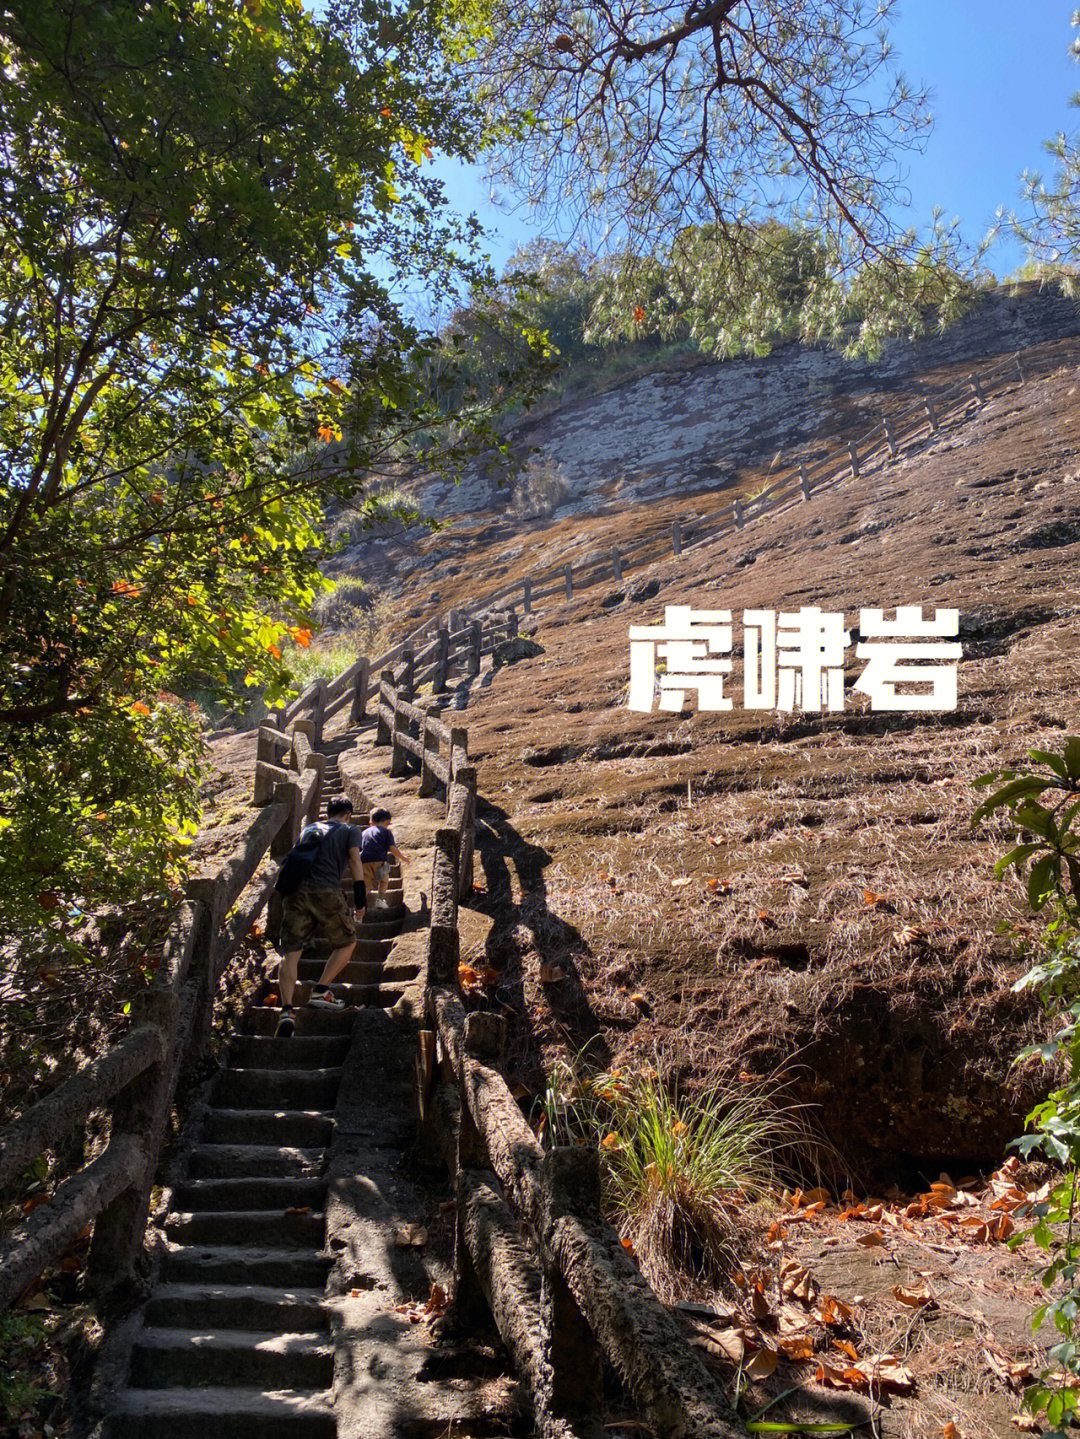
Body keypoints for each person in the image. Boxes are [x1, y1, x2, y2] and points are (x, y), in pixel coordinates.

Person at [274, 796, 365, 1038]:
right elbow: (355, 858)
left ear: (327, 812)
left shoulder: (310, 828)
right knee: (348, 941)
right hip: (326, 890)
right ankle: (321, 990)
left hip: (294, 892)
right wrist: (360, 897)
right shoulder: (350, 829)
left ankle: (286, 1011)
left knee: (291, 952)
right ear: (348, 814)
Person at [360, 807, 409, 911]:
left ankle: (359, 907)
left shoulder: (364, 833)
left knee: (366, 885)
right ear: (387, 821)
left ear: (371, 822)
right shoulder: (386, 832)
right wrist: (402, 858)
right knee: (383, 881)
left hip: (364, 861)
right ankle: (380, 901)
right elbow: (392, 848)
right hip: (380, 861)